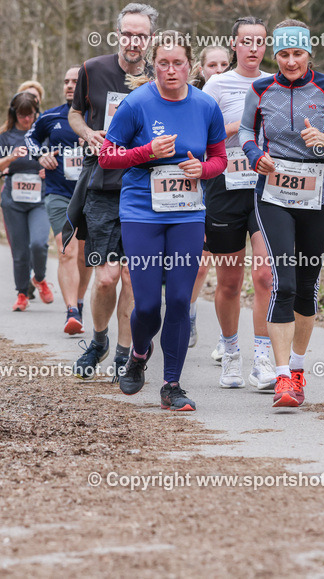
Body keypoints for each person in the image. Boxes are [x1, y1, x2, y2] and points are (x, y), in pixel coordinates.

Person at [238, 19, 324, 408]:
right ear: (274, 55)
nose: (290, 61)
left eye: (297, 54)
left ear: (309, 53)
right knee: (285, 283)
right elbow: (245, 131)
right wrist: (254, 155)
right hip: (274, 195)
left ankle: (297, 370)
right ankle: (281, 379)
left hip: (320, 197)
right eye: (283, 54)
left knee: (308, 285)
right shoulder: (260, 89)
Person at [99, 31, 227, 411]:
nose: (171, 71)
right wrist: (146, 151)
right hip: (142, 212)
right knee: (148, 305)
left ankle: (172, 384)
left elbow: (219, 158)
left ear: (192, 66)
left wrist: (202, 169)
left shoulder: (206, 106)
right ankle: (139, 353)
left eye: (179, 64)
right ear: (154, 64)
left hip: (187, 212)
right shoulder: (137, 104)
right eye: (164, 64)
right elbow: (107, 156)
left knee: (179, 299)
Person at [67, 2, 157, 381]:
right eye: (127, 33)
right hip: (103, 186)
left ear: (150, 39)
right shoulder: (93, 69)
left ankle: (125, 352)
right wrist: (87, 134)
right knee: (106, 277)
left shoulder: (161, 76)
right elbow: (74, 113)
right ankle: (99, 340)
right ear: (118, 34)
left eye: (141, 35)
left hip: (144, 186)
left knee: (134, 278)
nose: (133, 41)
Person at [202, 17, 278, 390]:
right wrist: (241, 129)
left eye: (260, 41)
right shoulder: (217, 83)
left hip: (266, 188)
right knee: (229, 282)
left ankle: (262, 358)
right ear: (234, 45)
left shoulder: (275, 83)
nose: (253, 48)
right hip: (225, 185)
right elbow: (204, 136)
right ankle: (231, 352)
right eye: (246, 41)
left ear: (266, 46)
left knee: (265, 276)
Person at [25, 66, 91, 333]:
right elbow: (30, 138)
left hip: (91, 194)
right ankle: (71, 312)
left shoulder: (98, 116)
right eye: (66, 81)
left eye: (76, 81)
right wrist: (41, 154)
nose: (69, 85)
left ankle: (79, 301)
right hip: (59, 193)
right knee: (67, 251)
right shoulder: (51, 116)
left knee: (86, 256)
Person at [186, 44, 232, 347]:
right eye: (212, 65)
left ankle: (227, 336)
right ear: (201, 70)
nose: (218, 71)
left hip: (235, 182)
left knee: (226, 269)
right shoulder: (194, 100)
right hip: (201, 182)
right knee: (201, 263)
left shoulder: (244, 92)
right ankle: (187, 312)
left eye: (224, 65)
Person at [0, 92, 53, 311]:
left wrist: (49, 170)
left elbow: (59, 159)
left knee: (38, 243)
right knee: (20, 252)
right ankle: (21, 294)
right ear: (14, 113)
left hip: (40, 200)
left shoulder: (44, 134)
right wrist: (10, 158)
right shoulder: (6, 136)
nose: (26, 120)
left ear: (37, 113)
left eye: (30, 115)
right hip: (13, 201)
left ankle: (40, 278)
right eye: (22, 115)